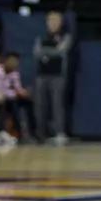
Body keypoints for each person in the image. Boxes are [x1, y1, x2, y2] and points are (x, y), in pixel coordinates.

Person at [32, 10, 73, 145]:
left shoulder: (66, 36)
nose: (53, 24)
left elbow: (62, 52)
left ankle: (60, 132)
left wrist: (47, 53)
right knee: (40, 105)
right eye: (51, 21)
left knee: (58, 105)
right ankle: (40, 133)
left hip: (58, 75)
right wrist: (52, 51)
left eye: (56, 21)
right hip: (41, 75)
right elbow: (37, 53)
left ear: (60, 23)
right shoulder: (40, 36)